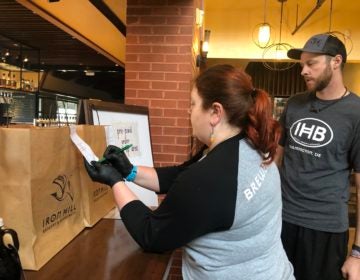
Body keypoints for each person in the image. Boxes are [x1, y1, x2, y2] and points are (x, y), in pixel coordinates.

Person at [84, 64, 294, 280]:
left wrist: (114, 181)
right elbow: (181, 175)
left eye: (193, 104)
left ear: (215, 112)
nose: (189, 111)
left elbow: (152, 235)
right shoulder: (248, 145)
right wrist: (129, 171)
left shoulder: (212, 177)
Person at [275, 33, 360, 280]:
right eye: (302, 64)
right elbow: (275, 160)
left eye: (311, 64)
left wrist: (357, 254)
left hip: (325, 229)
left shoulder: (356, 113)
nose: (303, 71)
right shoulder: (295, 104)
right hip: (281, 219)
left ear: (336, 61)